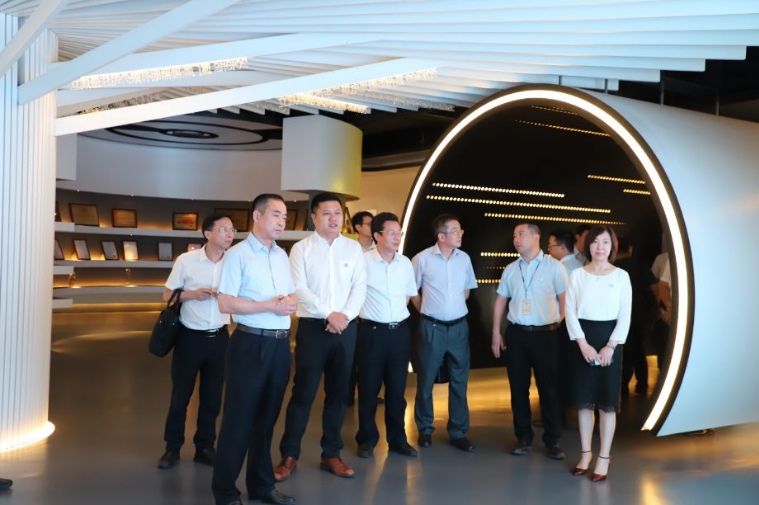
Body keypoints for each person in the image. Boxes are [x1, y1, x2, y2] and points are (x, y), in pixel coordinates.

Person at [211, 194, 298, 505]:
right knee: (238, 422)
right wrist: (270, 306)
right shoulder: (238, 255)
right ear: (257, 216)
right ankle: (225, 493)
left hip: (279, 345)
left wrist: (288, 303)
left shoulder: (282, 255)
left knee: (266, 422)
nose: (281, 221)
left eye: (285, 216)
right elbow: (225, 303)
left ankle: (261, 487)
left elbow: (289, 295)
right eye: (276, 215)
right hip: (249, 344)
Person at [274, 193, 366, 481]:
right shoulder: (301, 249)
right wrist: (329, 315)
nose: (333, 218)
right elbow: (299, 288)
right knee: (303, 393)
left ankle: (331, 454)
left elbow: (360, 287)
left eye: (337, 212)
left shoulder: (353, 248)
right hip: (314, 329)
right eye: (326, 213)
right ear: (314, 217)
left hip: (345, 329)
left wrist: (344, 316)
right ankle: (289, 455)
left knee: (339, 394)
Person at [158, 213, 235, 470]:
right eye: (223, 229)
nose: (229, 234)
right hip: (189, 337)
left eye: (232, 230)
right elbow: (167, 294)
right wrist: (192, 294)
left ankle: (204, 447)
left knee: (212, 397)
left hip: (220, 338)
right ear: (207, 233)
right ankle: (172, 447)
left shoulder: (234, 262)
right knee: (181, 395)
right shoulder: (186, 260)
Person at [491, 223, 568, 460]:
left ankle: (552, 440)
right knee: (518, 388)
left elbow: (565, 300)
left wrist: (555, 324)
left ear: (536, 237)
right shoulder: (511, 269)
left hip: (546, 335)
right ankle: (523, 437)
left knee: (549, 389)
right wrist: (496, 332)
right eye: (514, 235)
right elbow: (501, 301)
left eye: (521, 234)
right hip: (517, 334)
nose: (516, 238)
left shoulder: (554, 267)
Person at [565, 225, 632, 482]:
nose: (600, 247)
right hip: (583, 340)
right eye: (595, 242)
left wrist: (610, 346)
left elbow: (625, 315)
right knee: (584, 402)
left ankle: (604, 456)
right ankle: (585, 453)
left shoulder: (621, 276)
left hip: (609, 341)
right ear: (588, 246)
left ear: (612, 246)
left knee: (606, 403)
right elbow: (570, 311)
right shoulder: (577, 275)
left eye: (605, 242)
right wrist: (582, 344)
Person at [411, 214, 478, 452]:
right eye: (455, 231)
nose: (460, 234)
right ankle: (425, 429)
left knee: (460, 380)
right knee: (426, 379)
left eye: (460, 230)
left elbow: (467, 291)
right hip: (432, 327)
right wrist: (428, 311)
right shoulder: (422, 259)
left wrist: (452, 309)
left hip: (459, 327)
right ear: (441, 236)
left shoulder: (464, 258)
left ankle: (458, 431)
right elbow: (412, 291)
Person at [356, 212, 419, 459]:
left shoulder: (405, 263)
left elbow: (408, 295)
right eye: (391, 233)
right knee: (368, 389)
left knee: (397, 391)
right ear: (377, 235)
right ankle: (366, 439)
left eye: (399, 233)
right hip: (371, 332)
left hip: (399, 333)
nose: (397, 237)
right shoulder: (363, 262)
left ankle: (398, 440)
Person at [614, 237, 658, 397]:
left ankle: (622, 386)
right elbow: (654, 287)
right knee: (639, 349)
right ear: (630, 249)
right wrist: (654, 306)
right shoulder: (639, 264)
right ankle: (642, 384)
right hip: (639, 314)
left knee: (623, 350)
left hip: (619, 315)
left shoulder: (612, 267)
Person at [347, 210, 377, 406]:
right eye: (369, 224)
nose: (373, 228)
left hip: (372, 314)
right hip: (353, 314)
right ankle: (348, 394)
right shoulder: (350, 250)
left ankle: (369, 393)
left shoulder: (379, 250)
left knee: (370, 358)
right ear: (358, 227)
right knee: (351, 357)